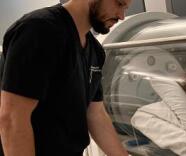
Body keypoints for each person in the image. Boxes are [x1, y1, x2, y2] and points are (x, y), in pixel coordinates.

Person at [0, 0, 132, 156]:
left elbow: (95, 114)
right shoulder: (39, 30)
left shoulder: (95, 51)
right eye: (119, 4)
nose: (122, 16)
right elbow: (13, 118)